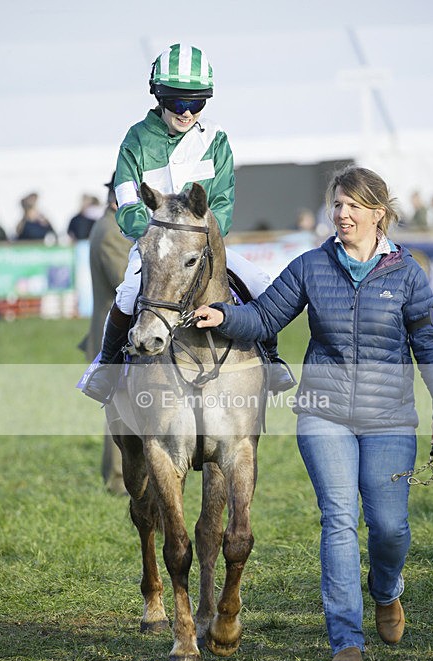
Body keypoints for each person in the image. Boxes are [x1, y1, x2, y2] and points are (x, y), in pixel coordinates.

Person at [194, 166, 433, 661]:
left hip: (390, 419)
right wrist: (225, 316)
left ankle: (386, 590)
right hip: (324, 416)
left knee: (388, 527)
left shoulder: (406, 274)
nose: (342, 214)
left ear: (378, 213)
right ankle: (345, 638)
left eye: (353, 206)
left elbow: (431, 342)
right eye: (336, 205)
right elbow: (267, 317)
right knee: (339, 520)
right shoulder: (311, 266)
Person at [82, 42, 295, 404]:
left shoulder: (216, 138)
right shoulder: (135, 140)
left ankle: (272, 361)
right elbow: (127, 200)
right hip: (155, 248)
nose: (186, 113)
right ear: (159, 97)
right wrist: (153, 235)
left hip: (203, 245)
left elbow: (224, 201)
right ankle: (106, 365)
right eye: (178, 103)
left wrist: (202, 236)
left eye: (196, 104)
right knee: (128, 294)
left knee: (260, 282)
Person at [83, 175, 132, 494]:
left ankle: (116, 475)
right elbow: (126, 283)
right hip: (113, 333)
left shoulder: (113, 226)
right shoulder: (112, 232)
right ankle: (117, 479)